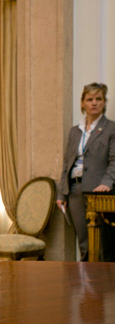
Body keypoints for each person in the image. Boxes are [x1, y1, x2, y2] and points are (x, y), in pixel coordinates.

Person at [57, 82, 115, 261]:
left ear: (104, 103)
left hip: (97, 193)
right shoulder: (75, 131)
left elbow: (114, 161)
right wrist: (62, 193)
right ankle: (85, 287)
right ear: (82, 103)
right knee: (84, 243)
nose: (94, 103)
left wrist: (106, 183)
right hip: (74, 191)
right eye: (90, 99)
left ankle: (103, 287)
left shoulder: (111, 128)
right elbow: (67, 164)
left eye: (98, 99)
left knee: (102, 246)